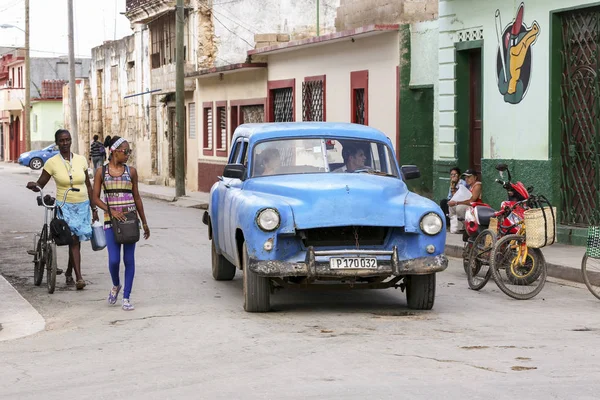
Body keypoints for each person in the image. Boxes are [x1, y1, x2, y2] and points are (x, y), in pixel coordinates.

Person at [26, 129, 98, 289]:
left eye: (67, 140)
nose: (65, 143)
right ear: (57, 143)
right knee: (72, 239)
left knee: (76, 241)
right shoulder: (52, 162)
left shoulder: (81, 160)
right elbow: (41, 183)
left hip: (82, 206)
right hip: (64, 206)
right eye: (61, 140)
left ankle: (68, 272)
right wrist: (34, 186)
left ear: (71, 141)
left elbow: (88, 184)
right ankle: (79, 277)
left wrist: (94, 208)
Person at [92, 136, 150, 311]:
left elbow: (137, 197)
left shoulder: (131, 172)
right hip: (111, 222)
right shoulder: (101, 172)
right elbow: (95, 198)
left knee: (129, 259)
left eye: (129, 152)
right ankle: (116, 285)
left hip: (130, 220)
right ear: (115, 152)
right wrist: (110, 211)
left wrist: (144, 222)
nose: (128, 155)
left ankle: (126, 297)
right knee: (114, 260)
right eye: (126, 152)